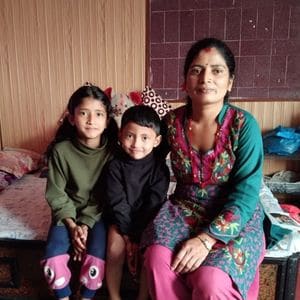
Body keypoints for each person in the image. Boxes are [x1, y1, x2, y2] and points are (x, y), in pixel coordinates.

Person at [141, 37, 266, 300]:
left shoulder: (244, 126)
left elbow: (246, 192)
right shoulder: (171, 122)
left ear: (230, 81)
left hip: (232, 213)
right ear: (186, 80)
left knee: (211, 281)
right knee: (156, 259)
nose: (205, 78)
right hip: (184, 209)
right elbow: (142, 164)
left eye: (217, 70)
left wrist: (207, 239)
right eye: (196, 70)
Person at [41, 83, 118, 300]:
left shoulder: (113, 153)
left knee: (96, 257)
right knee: (52, 257)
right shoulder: (60, 151)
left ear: (107, 121)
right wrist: (73, 226)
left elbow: (105, 195)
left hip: (98, 214)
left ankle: (85, 296)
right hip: (66, 216)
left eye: (99, 114)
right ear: (72, 118)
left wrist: (84, 225)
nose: (91, 120)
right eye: (84, 113)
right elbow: (56, 193)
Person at [103, 105, 170, 300]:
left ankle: (142, 297)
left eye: (145, 138)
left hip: (148, 220)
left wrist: (138, 236)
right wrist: (127, 236)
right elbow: (117, 202)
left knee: (149, 252)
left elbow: (154, 204)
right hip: (121, 219)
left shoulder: (159, 169)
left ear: (157, 141)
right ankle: (114, 296)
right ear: (120, 135)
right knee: (115, 249)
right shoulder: (114, 166)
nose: (136, 143)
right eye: (130, 136)